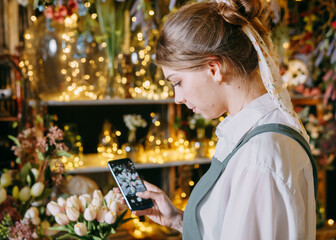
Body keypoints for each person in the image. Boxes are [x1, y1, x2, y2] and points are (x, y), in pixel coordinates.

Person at [117, 1, 317, 239]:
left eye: (178, 82)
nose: (177, 98)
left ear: (214, 69)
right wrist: (179, 220)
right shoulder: (250, 137)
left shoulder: (258, 157)